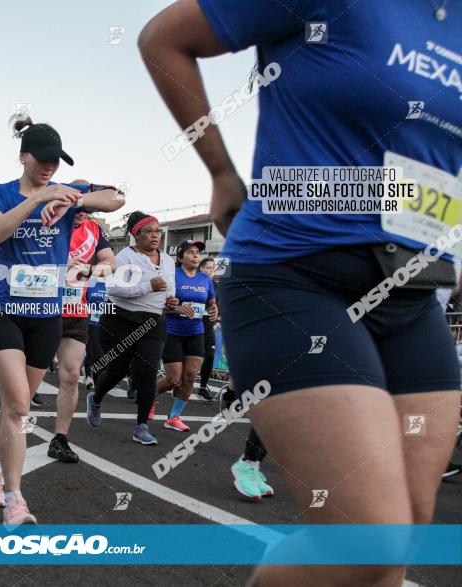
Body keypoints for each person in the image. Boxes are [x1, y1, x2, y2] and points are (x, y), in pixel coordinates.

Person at [140, 2, 462, 584]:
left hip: (414, 294)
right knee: (370, 544)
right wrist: (221, 173)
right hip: (294, 274)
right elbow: (164, 39)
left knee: (402, 535)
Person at [0, 115, 124, 526]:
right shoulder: (0, 192)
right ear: (23, 157)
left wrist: (72, 199)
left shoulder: (67, 189)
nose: (50, 168)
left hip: (46, 317)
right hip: (3, 310)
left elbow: (117, 198)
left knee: (11, 409)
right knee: (20, 406)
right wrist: (38, 200)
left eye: (56, 161)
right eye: (42, 160)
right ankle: (15, 498)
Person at [86, 212, 176, 445]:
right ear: (136, 235)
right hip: (120, 319)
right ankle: (95, 399)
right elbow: (113, 288)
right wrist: (147, 286)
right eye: (149, 231)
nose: (155, 236)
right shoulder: (125, 257)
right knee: (118, 369)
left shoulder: (168, 260)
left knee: (148, 370)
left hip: (153, 321)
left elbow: (169, 288)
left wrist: (172, 301)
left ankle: (141, 426)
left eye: (158, 231)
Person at [51, 190, 116, 463]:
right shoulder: (48, 221)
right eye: (77, 207)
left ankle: (60, 438)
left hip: (76, 310)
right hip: (42, 309)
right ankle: (10, 423)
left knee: (71, 373)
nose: (82, 213)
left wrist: (89, 271)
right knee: (31, 372)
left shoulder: (94, 229)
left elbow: (110, 264)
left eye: (86, 207)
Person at [157, 240, 217, 431]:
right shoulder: (172, 276)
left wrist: (214, 310)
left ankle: (173, 417)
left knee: (190, 376)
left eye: (198, 252)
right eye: (190, 252)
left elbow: (211, 303)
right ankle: (148, 398)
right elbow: (159, 306)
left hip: (196, 332)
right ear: (181, 257)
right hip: (172, 332)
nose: (195, 255)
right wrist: (178, 308)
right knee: (174, 379)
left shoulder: (205, 280)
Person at [197, 257, 218, 399]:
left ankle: (202, 387)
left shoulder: (216, 285)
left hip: (209, 324)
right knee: (192, 357)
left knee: (210, 356)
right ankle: (178, 383)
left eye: (213, 268)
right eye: (208, 267)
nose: (211, 271)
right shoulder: (194, 281)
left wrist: (218, 316)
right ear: (201, 268)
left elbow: (219, 306)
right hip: (192, 322)